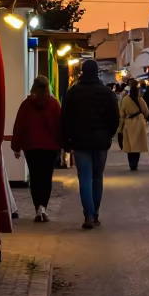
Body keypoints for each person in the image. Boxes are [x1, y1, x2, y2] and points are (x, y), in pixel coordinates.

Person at [61, 58, 120, 230]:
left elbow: (65, 119)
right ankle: (95, 214)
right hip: (101, 142)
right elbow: (115, 118)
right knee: (97, 177)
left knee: (85, 178)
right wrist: (108, 135)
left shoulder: (73, 93)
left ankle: (88, 213)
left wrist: (66, 141)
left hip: (80, 142)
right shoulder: (106, 93)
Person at [10, 75, 62, 222]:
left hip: (31, 147)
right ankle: (43, 207)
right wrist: (63, 145)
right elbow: (59, 126)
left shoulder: (26, 104)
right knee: (46, 178)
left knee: (35, 177)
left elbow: (19, 126)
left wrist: (16, 147)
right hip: (50, 147)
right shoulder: (54, 104)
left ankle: (37, 208)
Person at [118, 79, 149, 171]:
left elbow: (122, 114)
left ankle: (131, 164)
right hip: (140, 122)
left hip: (129, 123)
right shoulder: (140, 99)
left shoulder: (125, 100)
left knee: (129, 145)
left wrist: (120, 127)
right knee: (137, 144)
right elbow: (146, 111)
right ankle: (135, 164)